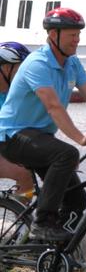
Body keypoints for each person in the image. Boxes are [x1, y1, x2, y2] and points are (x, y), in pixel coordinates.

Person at [0, 8, 86, 251]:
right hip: (12, 135)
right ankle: (42, 222)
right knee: (66, 154)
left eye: (78, 35)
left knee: (77, 198)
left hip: (39, 137)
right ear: (53, 34)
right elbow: (53, 107)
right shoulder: (37, 64)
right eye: (72, 35)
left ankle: (51, 258)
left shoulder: (73, 64)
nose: (77, 40)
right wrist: (80, 138)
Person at [0, 42, 34, 197]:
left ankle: (22, 217)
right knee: (24, 173)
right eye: (21, 69)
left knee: (28, 172)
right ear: (7, 68)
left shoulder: (12, 93)